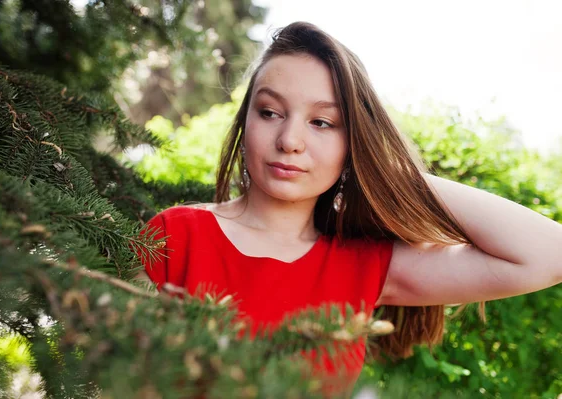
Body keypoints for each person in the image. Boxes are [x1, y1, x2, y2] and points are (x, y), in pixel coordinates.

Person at [136, 21, 562, 397]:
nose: (290, 140)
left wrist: (387, 170)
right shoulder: (175, 236)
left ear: (353, 141)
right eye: (269, 112)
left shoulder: (364, 264)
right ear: (246, 120)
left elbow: (549, 255)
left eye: (322, 122)